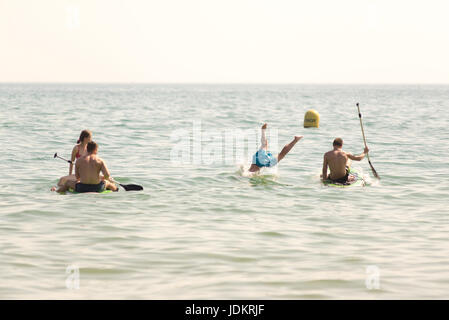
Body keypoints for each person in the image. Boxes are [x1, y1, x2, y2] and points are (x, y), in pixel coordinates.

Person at [52, 141, 118, 193]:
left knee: (67, 183)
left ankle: (56, 191)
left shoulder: (79, 160)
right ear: (95, 149)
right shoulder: (100, 160)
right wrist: (103, 178)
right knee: (108, 183)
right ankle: (116, 189)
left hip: (82, 188)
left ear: (87, 149)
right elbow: (107, 175)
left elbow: (78, 177)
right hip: (97, 188)